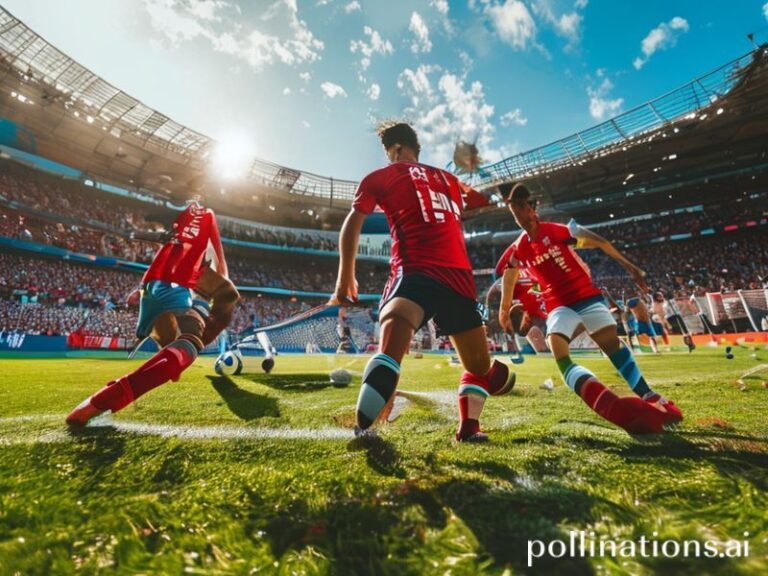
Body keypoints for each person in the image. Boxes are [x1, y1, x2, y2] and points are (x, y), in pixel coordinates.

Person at [331, 122, 515, 442]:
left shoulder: (381, 176)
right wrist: (478, 170)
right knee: (478, 367)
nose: (389, 159)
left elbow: (353, 223)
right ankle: (471, 424)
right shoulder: (449, 180)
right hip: (459, 277)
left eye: (389, 153)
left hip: (416, 270)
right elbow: (485, 201)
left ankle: (366, 427)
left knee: (391, 349)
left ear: (397, 149)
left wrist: (345, 277)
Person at [496, 183, 682, 434]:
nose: (516, 213)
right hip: (559, 305)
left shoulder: (560, 231)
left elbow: (600, 242)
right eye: (512, 209)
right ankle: (612, 407)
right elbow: (510, 271)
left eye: (520, 207)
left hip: (586, 297)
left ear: (531, 208)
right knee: (558, 349)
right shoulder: (519, 247)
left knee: (612, 347)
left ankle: (649, 395)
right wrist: (504, 307)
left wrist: (631, 268)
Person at [66, 190, 239, 425]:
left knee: (173, 348)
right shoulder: (205, 216)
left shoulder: (185, 226)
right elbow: (222, 278)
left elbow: (172, 233)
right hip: (173, 284)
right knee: (191, 343)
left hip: (151, 287)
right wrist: (204, 309)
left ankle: (172, 355)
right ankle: (101, 402)